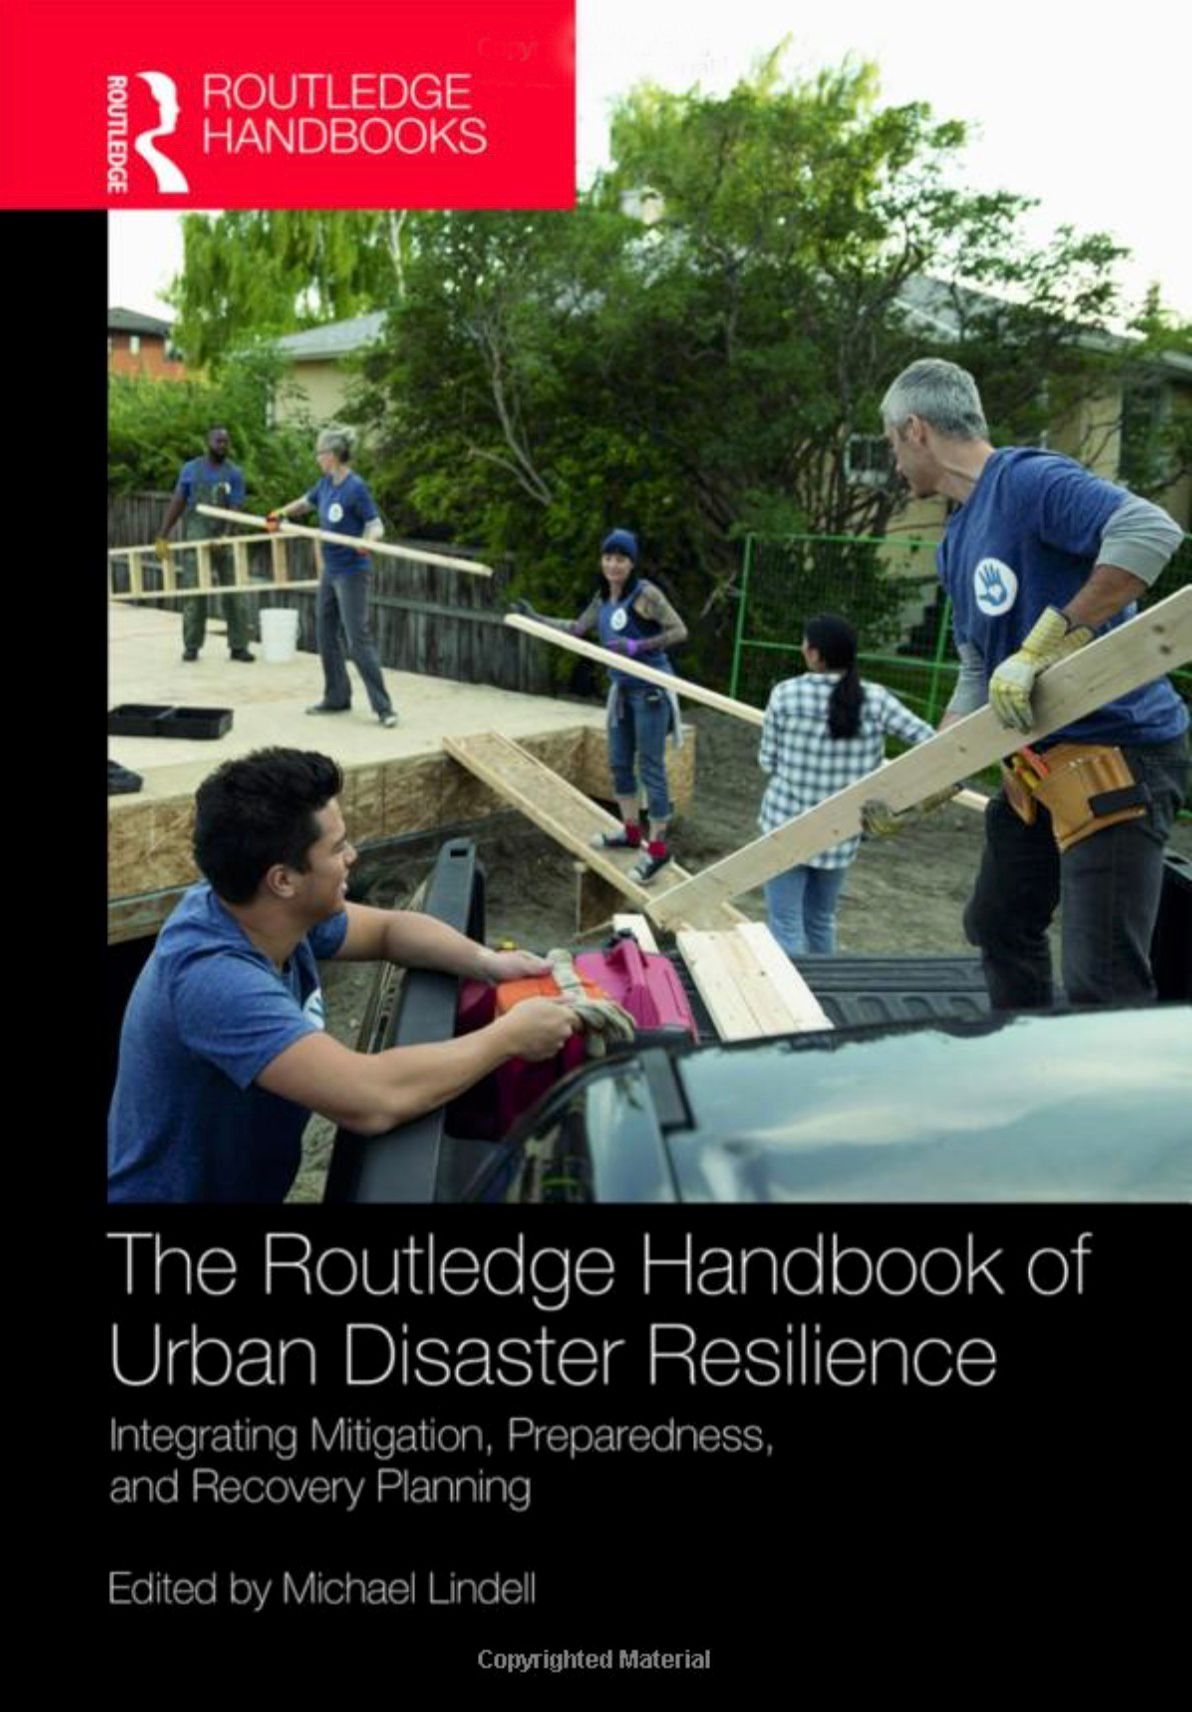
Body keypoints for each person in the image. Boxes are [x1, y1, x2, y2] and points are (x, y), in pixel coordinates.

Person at [108, 748, 579, 1203]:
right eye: (337, 848)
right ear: (283, 880)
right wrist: (510, 1037)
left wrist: (488, 962)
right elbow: (371, 1097)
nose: (352, 855)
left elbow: (391, 931)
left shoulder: (260, 908)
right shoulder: (214, 980)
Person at [879, 356, 1188, 1008]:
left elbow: (1149, 529)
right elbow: (975, 672)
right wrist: (934, 774)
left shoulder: (1027, 480)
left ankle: (1110, 1101)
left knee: (1101, 980)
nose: (893, 463)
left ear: (915, 429)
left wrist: (1050, 642)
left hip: (1118, 756)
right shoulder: (955, 539)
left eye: (889, 444)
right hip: (1037, 765)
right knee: (997, 922)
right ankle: (1028, 1058)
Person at [515, 529, 689, 884]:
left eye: (621, 558)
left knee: (651, 768)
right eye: (608, 557)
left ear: (631, 562)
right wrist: (536, 619)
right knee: (619, 763)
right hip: (622, 692)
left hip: (651, 692)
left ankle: (657, 851)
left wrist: (638, 648)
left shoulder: (646, 596)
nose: (613, 564)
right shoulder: (603, 600)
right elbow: (577, 628)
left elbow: (679, 631)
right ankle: (629, 832)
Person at [757, 614, 938, 955]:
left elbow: (768, 761)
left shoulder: (786, 694)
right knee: (821, 920)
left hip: (785, 826)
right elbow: (930, 741)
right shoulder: (877, 699)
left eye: (805, 642)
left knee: (785, 926)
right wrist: (897, 795)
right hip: (840, 833)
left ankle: (792, 1000)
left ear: (815, 654)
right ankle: (825, 990)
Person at [267, 428, 398, 728]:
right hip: (331, 570)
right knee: (326, 633)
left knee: (357, 638)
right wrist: (280, 514)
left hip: (353, 572)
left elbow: (376, 525)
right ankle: (337, 697)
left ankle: (384, 708)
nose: (317, 459)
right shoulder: (325, 484)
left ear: (333, 455)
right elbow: (305, 502)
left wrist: (368, 542)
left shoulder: (356, 488)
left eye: (320, 454)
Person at [157, 425, 254, 663]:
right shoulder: (190, 470)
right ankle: (191, 646)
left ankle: (239, 645)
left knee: (233, 591)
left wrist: (227, 536)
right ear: (207, 442)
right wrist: (163, 534)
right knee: (194, 592)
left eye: (226, 442)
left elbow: (236, 508)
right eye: (218, 441)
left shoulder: (234, 473)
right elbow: (178, 502)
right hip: (197, 533)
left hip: (225, 532)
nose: (223, 445)